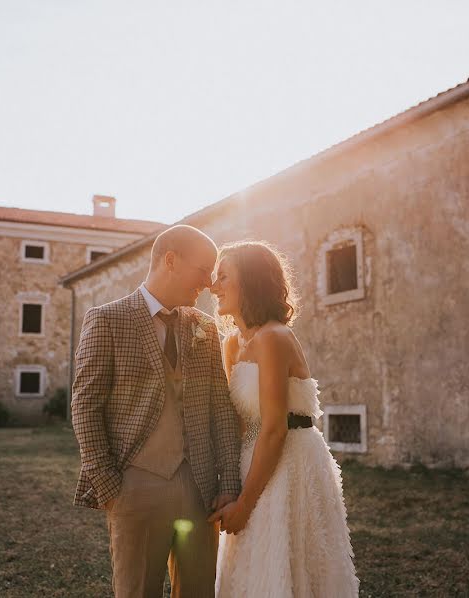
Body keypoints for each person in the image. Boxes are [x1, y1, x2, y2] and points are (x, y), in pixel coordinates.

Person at [71, 224, 241, 598]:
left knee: (199, 593)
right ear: (170, 260)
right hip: (134, 487)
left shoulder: (205, 328)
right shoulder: (107, 320)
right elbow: (85, 404)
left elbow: (221, 411)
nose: (209, 283)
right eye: (203, 270)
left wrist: (228, 484)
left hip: (201, 490)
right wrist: (110, 486)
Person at [208, 240, 359, 597]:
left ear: (251, 281)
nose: (214, 287)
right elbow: (241, 422)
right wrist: (228, 485)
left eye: (224, 277)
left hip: (290, 461)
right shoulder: (233, 344)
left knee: (290, 568)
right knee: (249, 567)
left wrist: (244, 505)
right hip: (252, 459)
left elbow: (275, 428)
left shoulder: (274, 337)